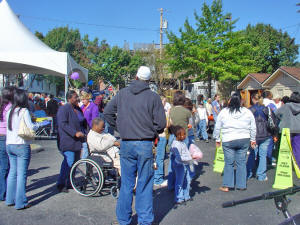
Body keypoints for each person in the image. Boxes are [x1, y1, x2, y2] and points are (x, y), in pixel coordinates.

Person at [104, 66, 166, 225]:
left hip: (126, 143)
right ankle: (144, 221)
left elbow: (107, 113)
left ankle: (124, 220)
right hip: (145, 143)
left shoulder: (122, 93)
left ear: (136, 77)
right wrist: (150, 130)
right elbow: (161, 124)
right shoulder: (153, 97)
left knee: (127, 183)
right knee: (144, 183)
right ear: (148, 80)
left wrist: (120, 128)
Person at [213, 93, 256, 192]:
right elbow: (253, 126)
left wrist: (217, 139)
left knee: (229, 163)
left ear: (230, 101)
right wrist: (253, 139)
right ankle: (241, 185)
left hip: (228, 139)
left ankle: (227, 185)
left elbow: (218, 126)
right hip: (244, 138)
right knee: (241, 162)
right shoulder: (247, 112)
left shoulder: (224, 112)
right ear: (241, 101)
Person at [6, 89, 39, 209]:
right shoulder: (24, 111)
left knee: (12, 172)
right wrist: (39, 124)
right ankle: (21, 202)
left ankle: (10, 199)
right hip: (21, 144)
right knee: (21, 174)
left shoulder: (9, 111)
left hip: (9, 144)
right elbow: (31, 127)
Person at [56, 90, 85, 193]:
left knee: (75, 163)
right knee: (69, 161)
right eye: (75, 97)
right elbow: (62, 124)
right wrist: (74, 133)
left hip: (78, 141)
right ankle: (61, 183)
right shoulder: (64, 109)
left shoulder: (77, 108)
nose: (77, 99)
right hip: (68, 140)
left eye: (77, 97)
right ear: (69, 98)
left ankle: (70, 181)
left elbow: (83, 122)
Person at [247, 94, 275, 181]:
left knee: (252, 154)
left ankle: (249, 173)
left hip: (254, 135)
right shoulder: (267, 109)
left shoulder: (250, 110)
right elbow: (274, 121)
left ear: (253, 99)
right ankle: (261, 175)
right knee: (263, 155)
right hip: (265, 134)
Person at [169, 125, 193, 205]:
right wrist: (189, 158)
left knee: (186, 180)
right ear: (178, 135)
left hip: (185, 164)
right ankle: (179, 198)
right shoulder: (176, 144)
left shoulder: (181, 143)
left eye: (185, 134)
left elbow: (186, 153)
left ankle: (186, 195)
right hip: (179, 165)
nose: (185, 136)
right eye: (183, 134)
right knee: (179, 182)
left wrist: (191, 157)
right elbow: (179, 157)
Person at [275, 92, 300, 167]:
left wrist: (283, 118)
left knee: (285, 149)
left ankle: (286, 166)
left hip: (286, 129)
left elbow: (276, 113)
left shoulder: (287, 106)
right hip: (298, 129)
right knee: (297, 149)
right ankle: (297, 165)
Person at [0, 87, 14, 201]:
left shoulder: (1, 105)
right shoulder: (10, 107)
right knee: (7, 166)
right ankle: (4, 192)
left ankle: (3, 191)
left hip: (1, 136)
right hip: (6, 137)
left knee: (3, 166)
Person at [154, 96, 169, 187]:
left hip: (157, 136)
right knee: (160, 158)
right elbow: (165, 125)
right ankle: (158, 179)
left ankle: (158, 177)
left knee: (158, 158)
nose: (165, 103)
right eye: (164, 101)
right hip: (161, 136)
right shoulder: (160, 112)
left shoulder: (154, 111)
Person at [80, 91, 99, 159]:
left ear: (88, 98)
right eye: (81, 99)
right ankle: (85, 161)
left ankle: (84, 161)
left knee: (86, 147)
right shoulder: (82, 107)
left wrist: (91, 128)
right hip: (83, 129)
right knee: (85, 146)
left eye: (84, 99)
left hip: (90, 130)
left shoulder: (93, 107)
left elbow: (94, 120)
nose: (82, 101)